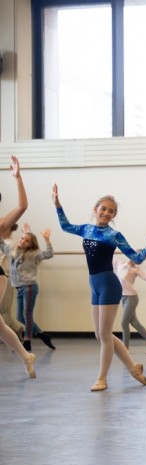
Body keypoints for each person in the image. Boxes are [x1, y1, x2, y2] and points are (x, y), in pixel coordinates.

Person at [52, 184, 146, 391]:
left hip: (109, 285)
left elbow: (136, 257)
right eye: (103, 208)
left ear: (114, 215)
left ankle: (102, 378)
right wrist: (58, 205)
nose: (106, 213)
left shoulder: (114, 235)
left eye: (111, 211)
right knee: (100, 334)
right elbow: (65, 226)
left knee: (104, 334)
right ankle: (133, 368)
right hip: (94, 283)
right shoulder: (86, 229)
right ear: (96, 209)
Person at [0, 156, 35, 379]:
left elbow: (22, 206)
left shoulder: (1, 224)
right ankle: (25, 356)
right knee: (0, 326)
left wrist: (17, 177)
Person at [0, 223, 56, 352]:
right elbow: (2, 246)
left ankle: (27, 341)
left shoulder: (33, 254)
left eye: (26, 241)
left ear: (31, 244)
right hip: (19, 287)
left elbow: (49, 254)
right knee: (20, 316)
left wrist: (47, 240)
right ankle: (42, 335)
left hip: (29, 287)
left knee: (27, 314)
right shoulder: (14, 251)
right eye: (22, 238)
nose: (22, 241)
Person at [114, 255, 146, 354]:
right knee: (134, 323)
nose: (136, 259)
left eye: (139, 259)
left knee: (124, 323)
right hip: (123, 297)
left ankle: (125, 349)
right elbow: (108, 257)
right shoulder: (119, 263)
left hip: (132, 298)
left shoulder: (135, 269)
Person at [0, 224, 26, 340]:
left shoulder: (12, 243)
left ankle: (5, 335)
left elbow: (11, 255)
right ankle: (16, 328)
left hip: (5, 277)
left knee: (4, 309)